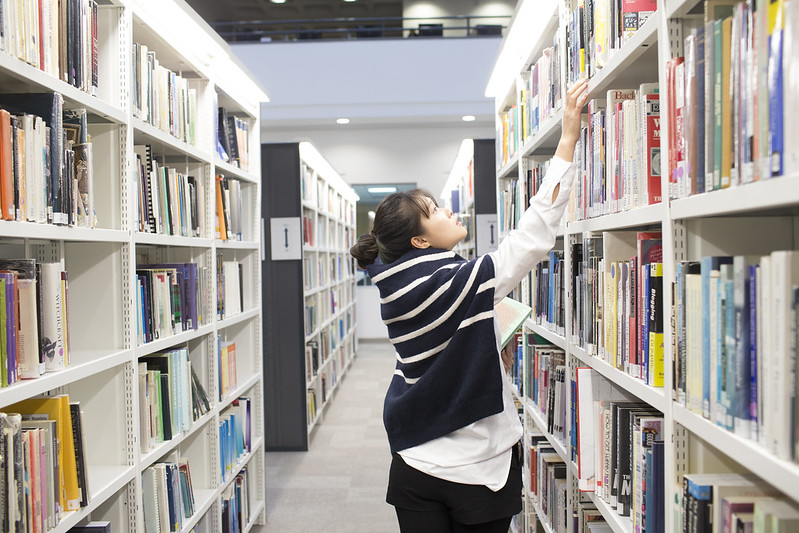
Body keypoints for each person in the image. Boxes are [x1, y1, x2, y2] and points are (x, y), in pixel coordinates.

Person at [349, 79, 590, 533]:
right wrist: (569, 140)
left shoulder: (396, 285)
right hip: (479, 465)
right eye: (436, 211)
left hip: (415, 459)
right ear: (421, 240)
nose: (449, 213)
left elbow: (440, 344)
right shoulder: (456, 281)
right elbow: (532, 238)